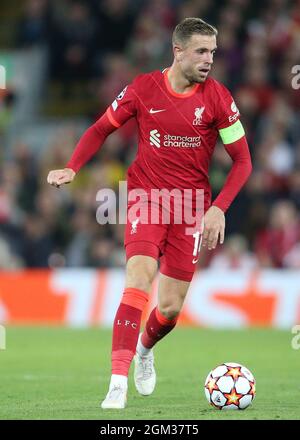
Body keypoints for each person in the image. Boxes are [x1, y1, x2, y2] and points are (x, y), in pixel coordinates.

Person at [47, 18, 252, 409]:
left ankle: (144, 349)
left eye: (213, 52)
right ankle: (117, 382)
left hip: (191, 207)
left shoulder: (218, 98)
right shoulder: (143, 88)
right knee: (139, 277)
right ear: (178, 51)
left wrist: (217, 209)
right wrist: (74, 166)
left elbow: (242, 162)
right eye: (201, 51)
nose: (209, 59)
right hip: (147, 196)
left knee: (171, 308)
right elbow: (100, 128)